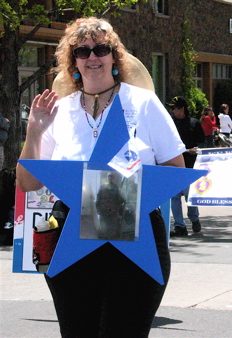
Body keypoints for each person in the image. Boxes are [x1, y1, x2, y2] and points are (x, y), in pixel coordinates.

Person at [16, 17, 186, 337]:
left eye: (101, 48)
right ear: (73, 61)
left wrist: (127, 182)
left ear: (114, 56)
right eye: (82, 50)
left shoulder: (144, 103)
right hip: (69, 236)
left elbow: (175, 170)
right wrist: (34, 132)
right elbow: (27, 183)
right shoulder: (59, 110)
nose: (92, 57)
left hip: (135, 234)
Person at [168, 95, 205, 236]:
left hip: (190, 166)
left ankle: (194, 219)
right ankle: (179, 226)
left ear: (182, 109)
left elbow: (203, 142)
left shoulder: (194, 123)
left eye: (174, 108)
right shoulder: (170, 124)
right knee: (175, 197)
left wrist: (196, 149)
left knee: (190, 196)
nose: (172, 111)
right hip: (174, 166)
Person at [95, 171, 126, 240]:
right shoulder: (102, 186)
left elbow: (118, 198)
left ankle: (111, 239)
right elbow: (98, 197)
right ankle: (102, 238)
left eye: (111, 176)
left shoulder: (116, 187)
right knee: (103, 224)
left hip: (113, 210)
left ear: (114, 178)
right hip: (103, 209)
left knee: (111, 225)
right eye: (109, 176)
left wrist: (123, 201)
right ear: (107, 177)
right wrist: (97, 208)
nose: (110, 177)